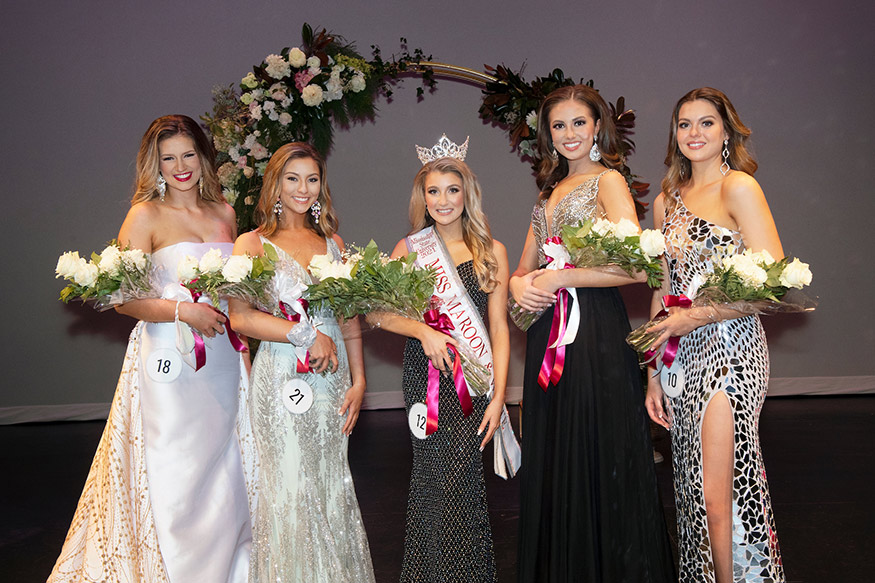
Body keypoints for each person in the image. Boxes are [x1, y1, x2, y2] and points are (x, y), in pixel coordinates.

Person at [48, 115, 255, 583]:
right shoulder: (143, 216)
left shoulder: (224, 212)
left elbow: (237, 294)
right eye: (168, 158)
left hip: (224, 357)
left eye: (188, 155)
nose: (180, 166)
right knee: (176, 468)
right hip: (169, 363)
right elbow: (124, 300)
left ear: (204, 158)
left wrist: (244, 352)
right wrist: (184, 313)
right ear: (155, 164)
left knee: (225, 470)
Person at [509, 85, 676, 582]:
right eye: (558, 126)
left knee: (598, 451)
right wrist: (521, 286)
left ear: (597, 127)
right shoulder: (546, 193)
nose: (569, 134)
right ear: (548, 135)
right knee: (558, 451)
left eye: (578, 123)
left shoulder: (608, 183)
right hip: (547, 335)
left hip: (596, 333)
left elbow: (639, 268)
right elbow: (522, 269)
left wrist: (561, 277)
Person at [645, 87, 785, 583]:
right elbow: (664, 292)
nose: (695, 133)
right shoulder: (666, 202)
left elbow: (774, 284)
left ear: (726, 130)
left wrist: (698, 317)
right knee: (691, 488)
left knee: (717, 494)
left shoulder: (738, 188)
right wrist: (653, 374)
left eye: (706, 122)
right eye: (684, 124)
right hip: (680, 356)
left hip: (731, 348)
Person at [227, 142, 374, 583]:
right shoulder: (251, 244)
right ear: (274, 184)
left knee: (331, 481)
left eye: (312, 179)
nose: (303, 188)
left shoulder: (333, 242)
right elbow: (240, 316)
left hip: (333, 383)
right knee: (290, 487)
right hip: (279, 376)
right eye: (292, 178)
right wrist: (304, 334)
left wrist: (361, 380)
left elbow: (348, 318)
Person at [370, 138, 510, 583]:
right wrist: (422, 330)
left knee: (464, 483)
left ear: (467, 194)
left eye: (453, 190)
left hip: (474, 380)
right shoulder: (411, 248)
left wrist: (500, 396)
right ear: (422, 197)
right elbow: (376, 312)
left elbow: (499, 330)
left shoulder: (493, 251)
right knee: (434, 482)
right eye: (434, 191)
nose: (443, 200)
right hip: (426, 379)